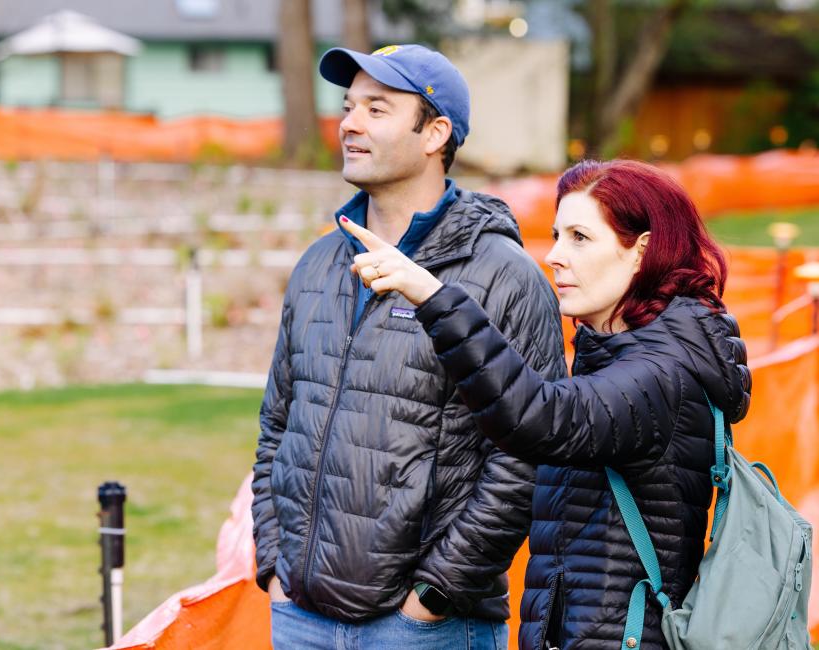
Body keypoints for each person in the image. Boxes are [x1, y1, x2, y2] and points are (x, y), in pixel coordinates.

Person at [342, 158, 752, 650]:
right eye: (557, 235)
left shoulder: (661, 373)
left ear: (641, 251)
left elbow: (539, 416)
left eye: (580, 237)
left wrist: (434, 297)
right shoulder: (622, 353)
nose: (555, 255)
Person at [251, 44, 567, 649]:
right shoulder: (318, 264)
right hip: (299, 615)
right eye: (348, 107)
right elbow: (276, 426)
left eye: (377, 108)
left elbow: (527, 456)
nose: (349, 123)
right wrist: (275, 567)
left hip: (425, 628)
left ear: (435, 133)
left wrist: (434, 597)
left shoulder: (505, 276)